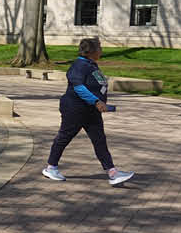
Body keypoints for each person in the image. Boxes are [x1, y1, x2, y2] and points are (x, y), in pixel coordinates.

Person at [39, 37, 134, 186]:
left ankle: (113, 172)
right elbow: (79, 87)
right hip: (75, 109)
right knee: (64, 137)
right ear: (91, 52)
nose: (101, 51)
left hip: (90, 110)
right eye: (99, 48)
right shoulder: (79, 66)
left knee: (99, 140)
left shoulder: (91, 65)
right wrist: (96, 101)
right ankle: (51, 167)